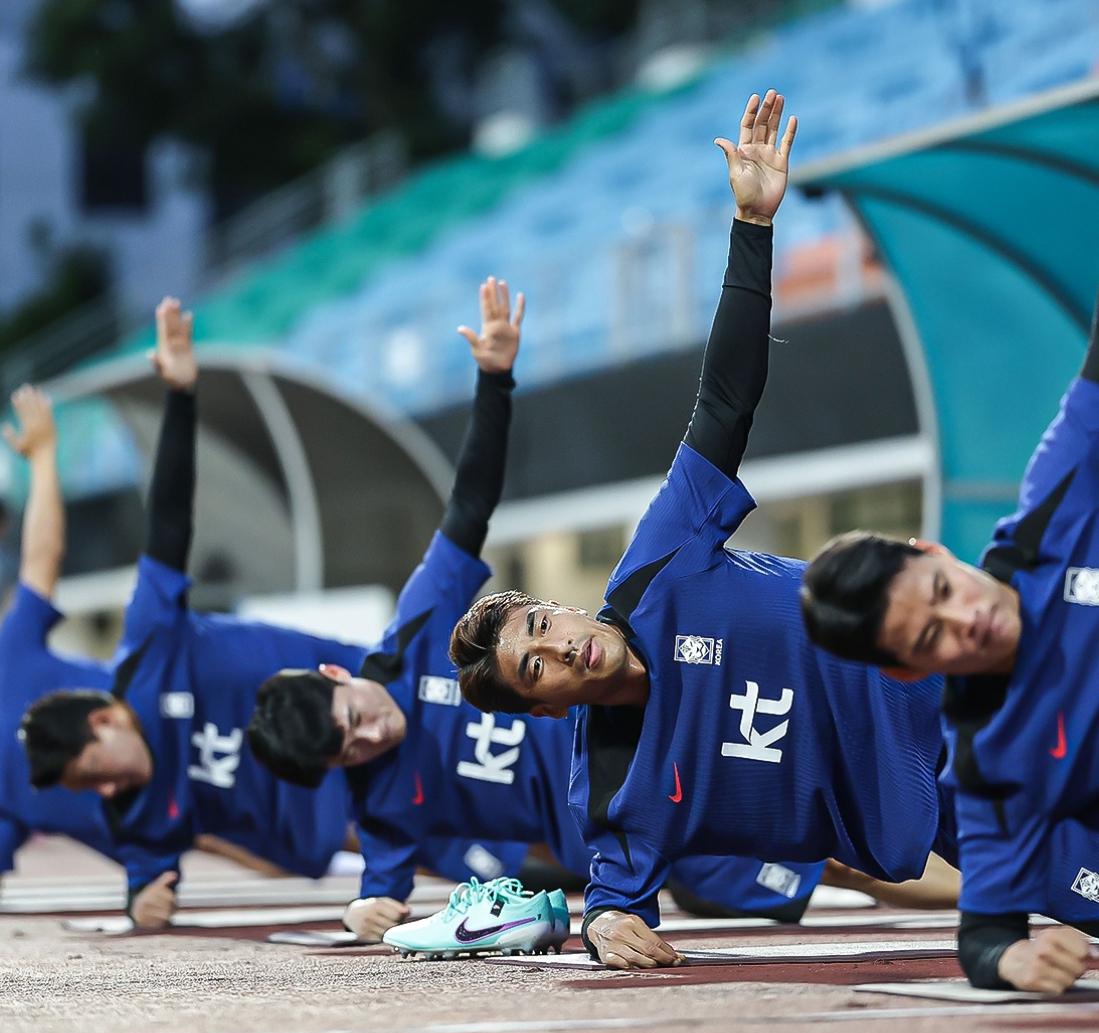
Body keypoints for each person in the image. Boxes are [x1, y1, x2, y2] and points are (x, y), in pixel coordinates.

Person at [449, 90, 960, 970]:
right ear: (544, 709)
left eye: (542, 627)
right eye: (535, 669)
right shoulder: (611, 788)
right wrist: (607, 926)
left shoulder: (660, 562)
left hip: (953, 667)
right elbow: (612, 898)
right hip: (947, 809)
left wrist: (751, 227)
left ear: (556, 608)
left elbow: (724, 401)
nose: (559, 650)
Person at [248, 274, 829, 942]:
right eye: (350, 752)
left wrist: (494, 381)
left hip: (661, 739)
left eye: (355, 719)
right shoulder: (378, 801)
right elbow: (378, 895)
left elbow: (468, 510)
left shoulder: (417, 630)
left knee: (828, 836)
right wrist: (362, 911)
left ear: (335, 675)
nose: (370, 737)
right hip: (603, 829)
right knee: (791, 858)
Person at [19, 298, 511, 925]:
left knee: (501, 784)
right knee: (481, 859)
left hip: (369, 723)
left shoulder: (151, 642)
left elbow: (168, 520)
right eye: (90, 790)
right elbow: (147, 878)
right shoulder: (131, 809)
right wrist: (143, 900)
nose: (107, 791)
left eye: (96, 772)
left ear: (108, 719)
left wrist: (181, 395)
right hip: (329, 827)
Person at [799, 287, 1099, 994]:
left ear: (933, 552)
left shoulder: (1051, 509)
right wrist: (1015, 960)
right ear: (907, 672)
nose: (969, 619)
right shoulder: (986, 760)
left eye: (941, 591)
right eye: (932, 637)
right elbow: (984, 937)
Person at [0, 385, 121, 881]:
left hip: (184, 724)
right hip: (164, 832)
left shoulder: (8, 651)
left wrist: (46, 457)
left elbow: (41, 558)